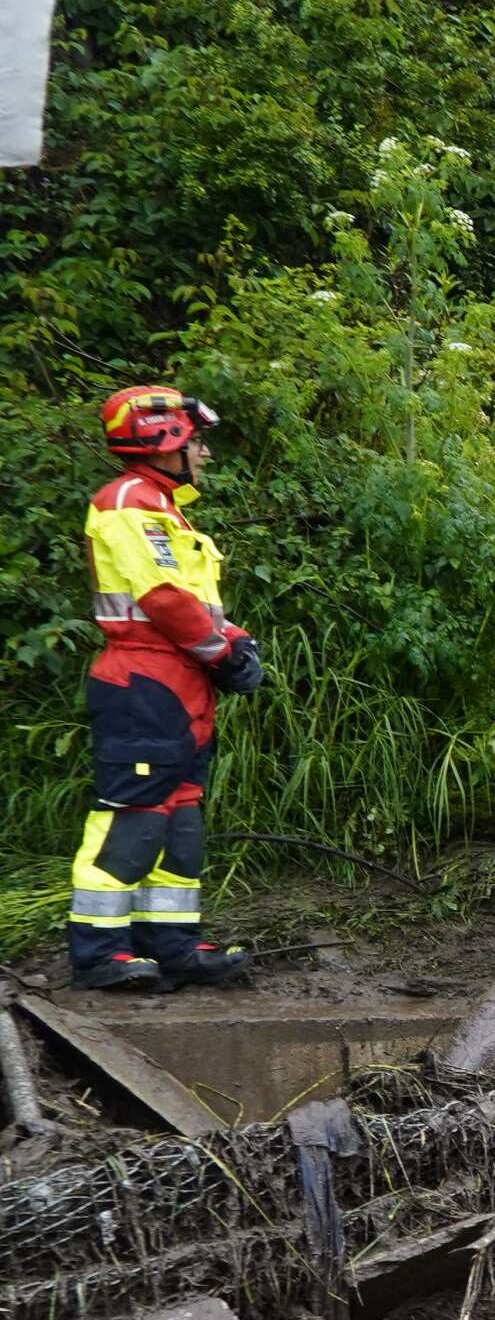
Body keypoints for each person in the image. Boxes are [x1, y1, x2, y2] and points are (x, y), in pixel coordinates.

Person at [69, 385, 264, 992]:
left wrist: (237, 640)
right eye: (196, 442)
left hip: (177, 682)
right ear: (163, 442)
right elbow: (164, 599)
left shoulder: (159, 505)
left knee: (179, 816)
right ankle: (100, 952)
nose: (203, 454)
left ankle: (173, 943)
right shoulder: (129, 502)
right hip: (143, 680)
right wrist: (224, 651)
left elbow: (195, 602)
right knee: (135, 814)